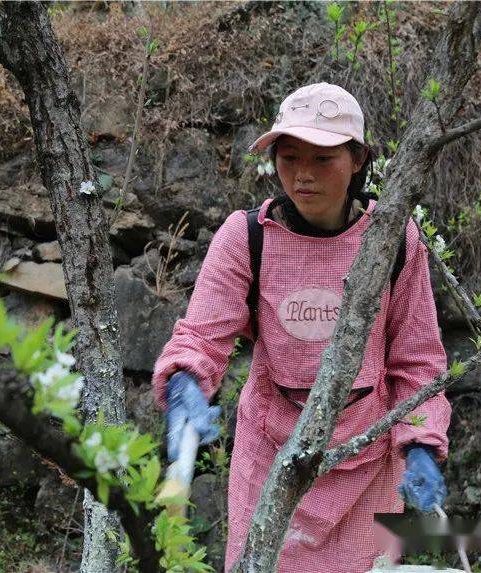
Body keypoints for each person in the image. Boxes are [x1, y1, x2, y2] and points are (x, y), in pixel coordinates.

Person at [151, 83, 451, 573]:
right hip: (270, 453)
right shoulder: (247, 237)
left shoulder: (393, 240)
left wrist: (420, 443)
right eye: (289, 158)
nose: (303, 176)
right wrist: (185, 383)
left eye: (324, 160)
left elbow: (417, 360)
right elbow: (201, 337)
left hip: (366, 465)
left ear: (357, 161)